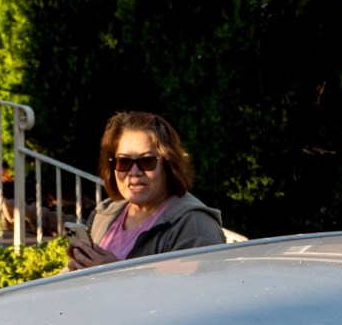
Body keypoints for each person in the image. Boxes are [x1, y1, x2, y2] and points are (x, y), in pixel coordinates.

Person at [66, 112, 226, 270]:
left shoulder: (194, 226)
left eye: (147, 161)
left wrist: (115, 274)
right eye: (124, 161)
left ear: (169, 165)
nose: (134, 171)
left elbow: (193, 292)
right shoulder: (106, 213)